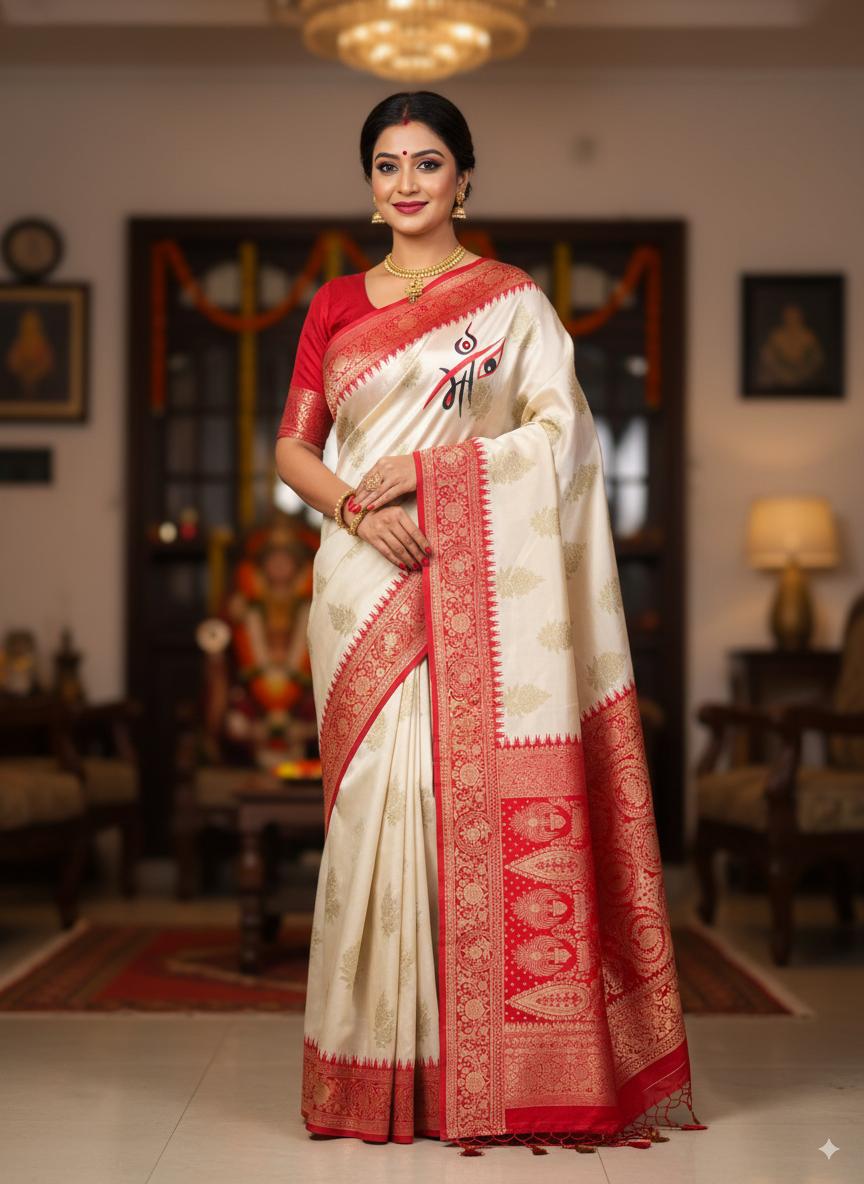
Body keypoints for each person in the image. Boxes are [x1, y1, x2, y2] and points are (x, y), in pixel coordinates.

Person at [275, 90, 700, 1154]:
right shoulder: (332, 304)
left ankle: (483, 1073)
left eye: (427, 162)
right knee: (378, 805)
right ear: (370, 186)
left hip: (477, 581)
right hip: (360, 577)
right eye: (387, 165)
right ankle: (376, 1076)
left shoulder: (512, 304)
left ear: (466, 176)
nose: (406, 182)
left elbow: (560, 438)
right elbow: (293, 450)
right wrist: (362, 511)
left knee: (446, 796)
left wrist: (429, 473)